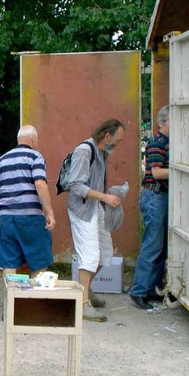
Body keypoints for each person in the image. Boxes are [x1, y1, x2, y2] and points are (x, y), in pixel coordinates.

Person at [67, 119, 126, 322]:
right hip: (82, 210)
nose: (117, 145)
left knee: (105, 252)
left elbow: (96, 183)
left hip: (96, 207)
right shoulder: (85, 151)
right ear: (106, 136)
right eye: (117, 141)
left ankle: (86, 290)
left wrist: (110, 195)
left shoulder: (102, 152)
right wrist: (105, 197)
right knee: (90, 254)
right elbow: (75, 185)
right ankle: (82, 305)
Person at [0, 125, 56, 279]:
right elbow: (40, 183)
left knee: (10, 263)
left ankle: (10, 300)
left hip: (6, 219)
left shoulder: (2, 159)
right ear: (33, 139)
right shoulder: (35, 157)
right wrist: (50, 212)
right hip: (30, 218)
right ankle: (33, 300)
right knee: (39, 262)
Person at [129, 106, 170, 310]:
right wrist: (178, 170)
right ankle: (138, 291)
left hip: (159, 196)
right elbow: (157, 173)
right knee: (152, 245)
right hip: (155, 196)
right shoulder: (157, 143)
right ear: (162, 123)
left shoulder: (169, 143)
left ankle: (150, 288)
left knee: (160, 247)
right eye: (172, 120)